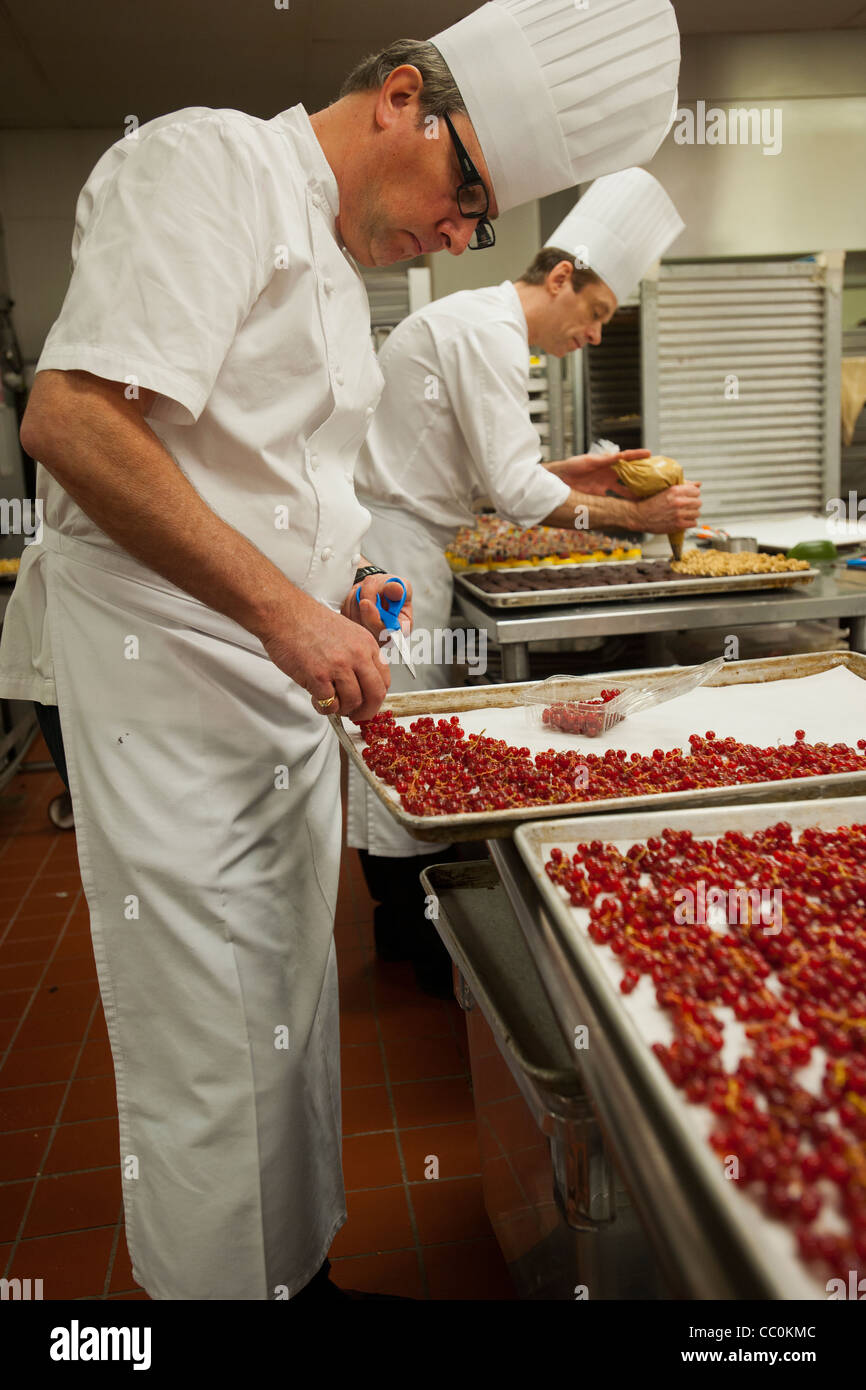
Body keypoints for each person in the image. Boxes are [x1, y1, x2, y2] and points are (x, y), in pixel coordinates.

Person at [0, 0, 681, 1301]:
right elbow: (76, 420)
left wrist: (345, 574)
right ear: (402, 101)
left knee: (289, 1018)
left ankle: (294, 1275)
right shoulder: (204, 164)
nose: (459, 234)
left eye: (482, 226)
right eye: (466, 188)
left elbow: (275, 477)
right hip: (176, 688)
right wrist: (284, 607)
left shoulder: (328, 261)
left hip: (273, 699)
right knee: (212, 1046)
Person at [348, 167, 700, 994]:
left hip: (410, 535)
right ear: (561, 278)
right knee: (399, 735)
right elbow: (514, 493)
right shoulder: (488, 335)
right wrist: (641, 522)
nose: (597, 335)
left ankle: (402, 923)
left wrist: (578, 473)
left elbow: (496, 471)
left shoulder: (480, 325)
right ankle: (416, 932)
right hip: (396, 547)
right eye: (598, 313)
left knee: (395, 724)